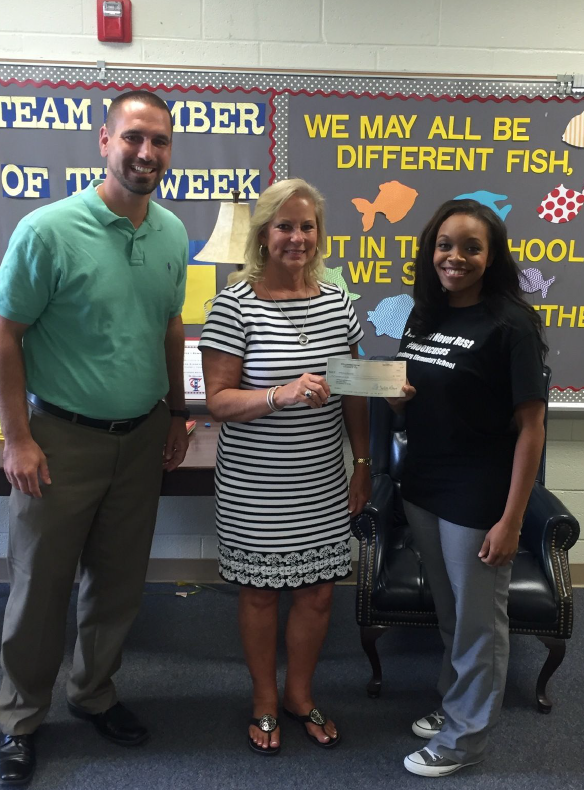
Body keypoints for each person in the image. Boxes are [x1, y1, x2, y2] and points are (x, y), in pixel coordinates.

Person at [0, 89, 190, 785]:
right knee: (40, 587)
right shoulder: (47, 230)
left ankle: (93, 693)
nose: (147, 153)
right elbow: (6, 333)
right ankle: (18, 717)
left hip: (140, 437)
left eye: (161, 141)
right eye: (133, 137)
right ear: (103, 142)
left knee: (116, 583)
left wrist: (174, 414)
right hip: (60, 437)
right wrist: (16, 437)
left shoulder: (171, 232)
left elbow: (171, 325)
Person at [199, 178, 371, 755]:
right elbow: (218, 402)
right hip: (255, 482)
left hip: (320, 477)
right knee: (259, 595)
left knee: (319, 592)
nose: (297, 237)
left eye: (307, 226)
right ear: (263, 235)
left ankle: (299, 694)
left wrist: (363, 462)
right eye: (284, 226)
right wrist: (281, 394)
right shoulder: (233, 303)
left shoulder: (337, 302)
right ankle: (264, 700)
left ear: (319, 234)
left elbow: (352, 392)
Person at [387, 199, 547, 777]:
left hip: (478, 495)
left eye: (471, 247)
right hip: (423, 484)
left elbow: (532, 427)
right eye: (445, 245)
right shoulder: (422, 315)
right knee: (452, 614)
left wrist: (511, 520)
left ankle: (464, 740)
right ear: (431, 252)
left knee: (480, 623)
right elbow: (420, 396)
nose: (455, 257)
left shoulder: (511, 325)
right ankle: (456, 704)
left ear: (492, 255)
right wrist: (396, 400)